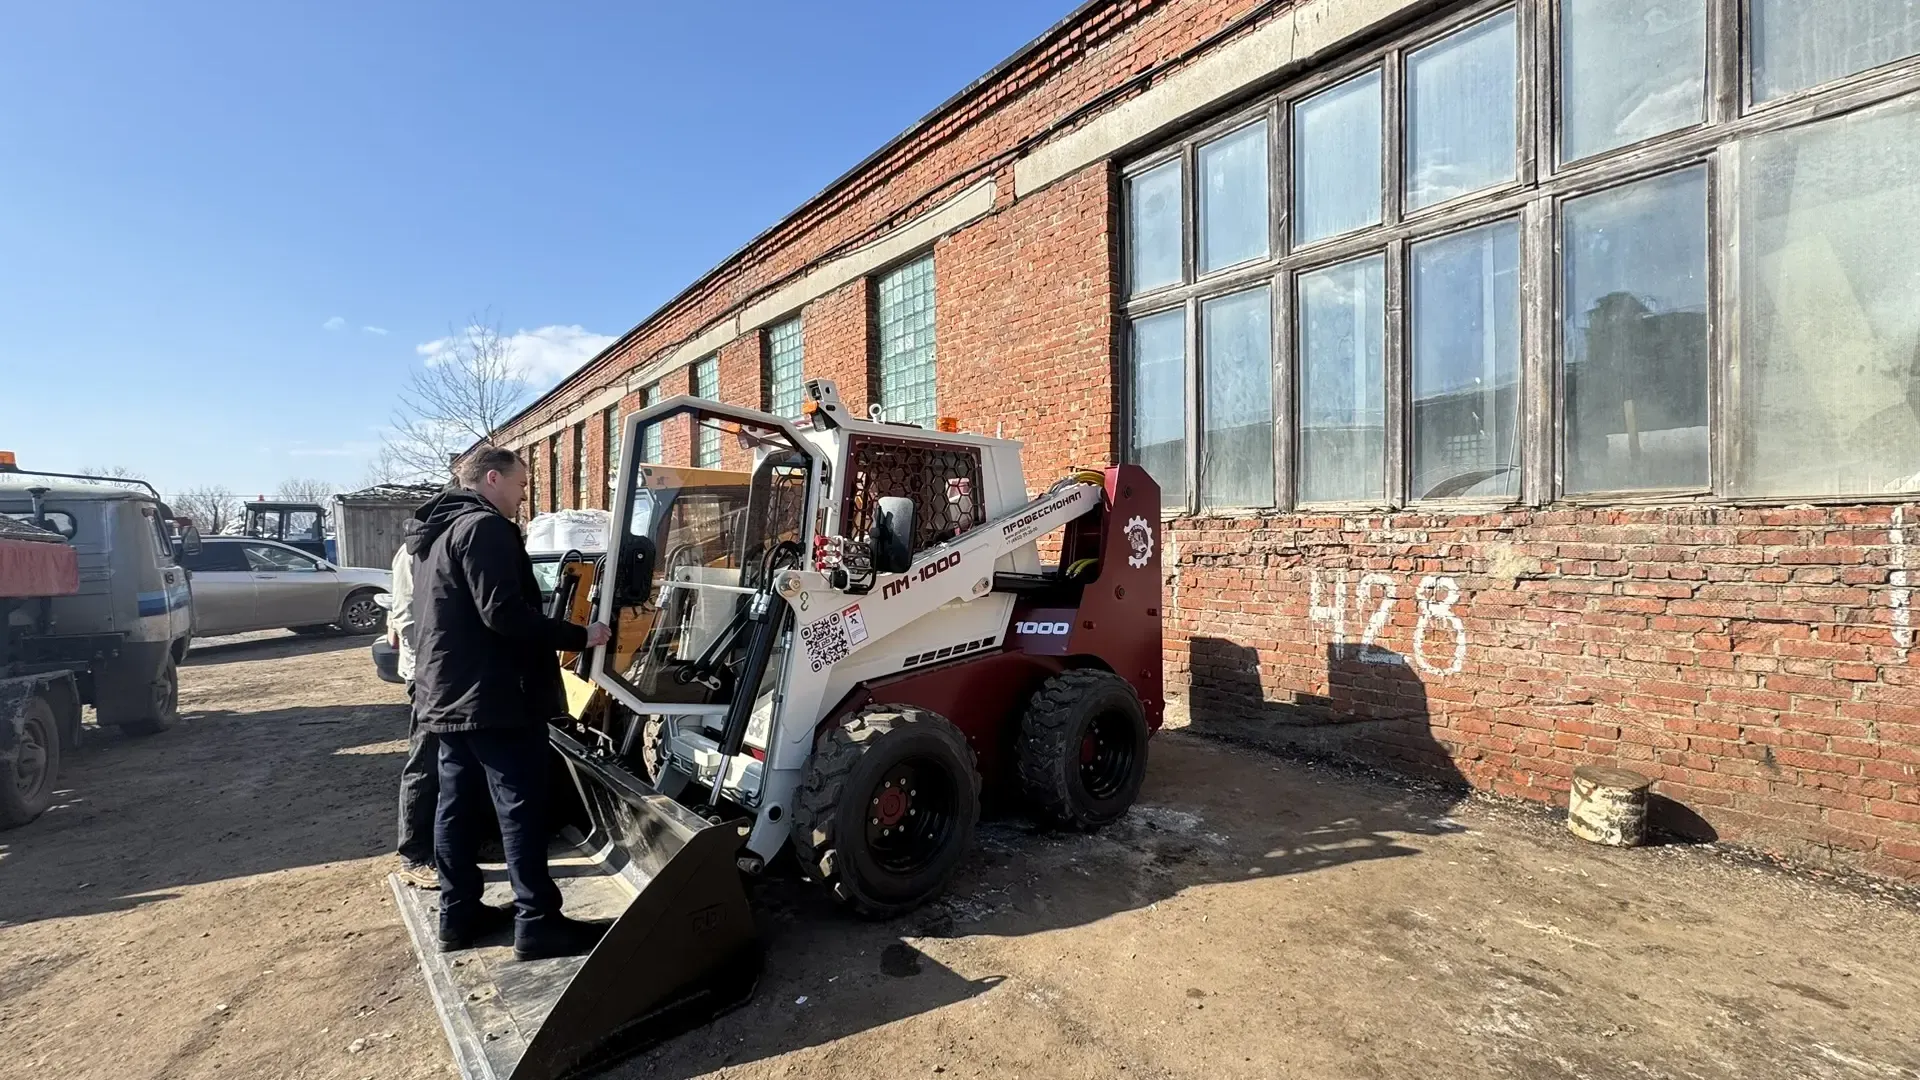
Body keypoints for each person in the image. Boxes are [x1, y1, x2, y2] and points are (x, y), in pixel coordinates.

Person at [406, 447, 614, 960]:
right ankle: (538, 922)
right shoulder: (485, 529)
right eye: (520, 485)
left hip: (449, 693)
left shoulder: (436, 535)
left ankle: (459, 915)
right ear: (493, 478)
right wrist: (580, 634)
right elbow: (505, 614)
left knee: (455, 805)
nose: (523, 496)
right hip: (494, 696)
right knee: (520, 806)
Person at [389, 538, 437, 890]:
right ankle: (415, 855)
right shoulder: (418, 550)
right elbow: (408, 618)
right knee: (424, 762)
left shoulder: (423, 546)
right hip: (429, 675)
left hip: (434, 671)